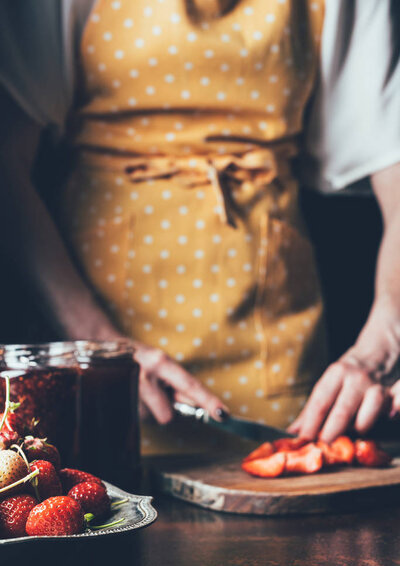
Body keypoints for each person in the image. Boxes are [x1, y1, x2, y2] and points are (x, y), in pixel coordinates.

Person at [0, 0, 399, 455]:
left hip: (281, 368)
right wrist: (104, 348)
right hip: (96, 363)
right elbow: (4, 166)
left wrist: (380, 345)